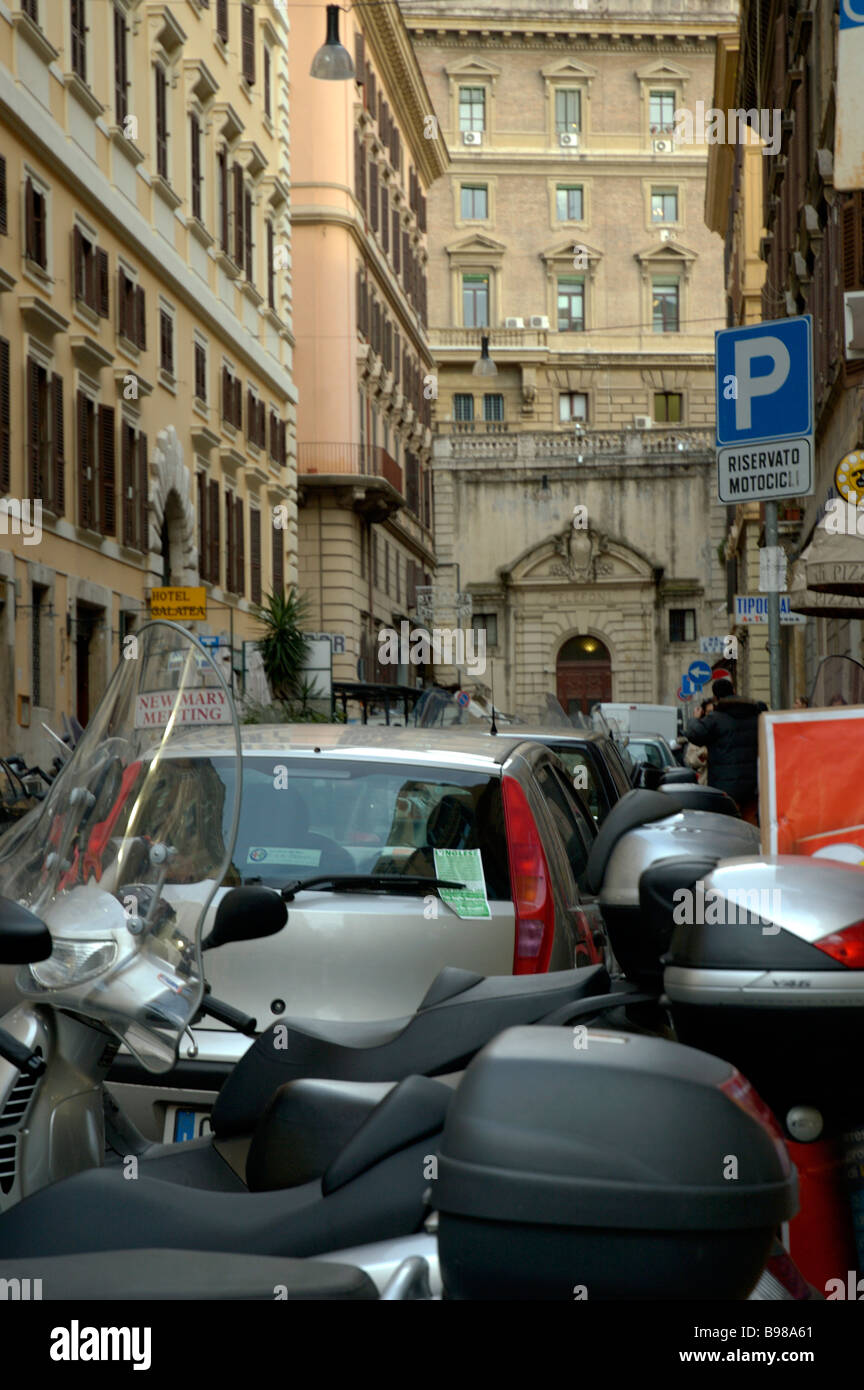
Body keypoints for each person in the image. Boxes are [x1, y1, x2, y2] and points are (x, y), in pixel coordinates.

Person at [685, 679, 767, 824]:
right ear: (734, 691)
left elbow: (694, 734)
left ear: (716, 697)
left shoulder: (715, 719)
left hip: (725, 787)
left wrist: (695, 719)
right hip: (753, 785)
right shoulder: (754, 715)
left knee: (729, 826)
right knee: (751, 826)